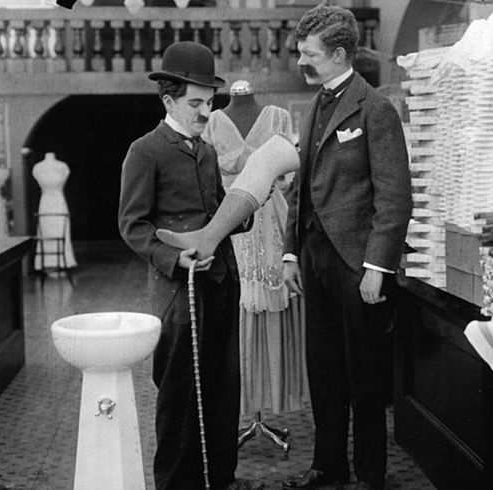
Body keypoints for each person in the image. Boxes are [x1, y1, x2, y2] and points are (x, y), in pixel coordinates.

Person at [281, 4, 413, 490]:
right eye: (300, 52)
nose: (301, 61)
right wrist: (291, 252)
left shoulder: (375, 109)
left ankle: (371, 475)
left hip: (358, 265)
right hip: (314, 259)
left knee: (365, 377)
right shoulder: (315, 105)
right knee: (323, 370)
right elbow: (301, 187)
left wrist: (378, 266)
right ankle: (327, 466)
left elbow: (395, 196)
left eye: (310, 54)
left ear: (339, 54)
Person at [117, 41, 257, 490]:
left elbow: (217, 210)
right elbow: (133, 225)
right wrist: (173, 258)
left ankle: (221, 480)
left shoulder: (208, 151)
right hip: (179, 293)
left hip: (221, 283)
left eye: (209, 102)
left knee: (223, 388)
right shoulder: (146, 151)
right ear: (169, 101)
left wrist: (247, 209)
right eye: (195, 103)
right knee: (180, 395)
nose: (205, 112)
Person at [202, 80, 308, 444]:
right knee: (238, 307)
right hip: (233, 219)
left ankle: (271, 397)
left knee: (273, 306)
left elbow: (291, 175)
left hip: (273, 218)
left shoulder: (277, 117)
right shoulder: (213, 122)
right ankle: (243, 399)